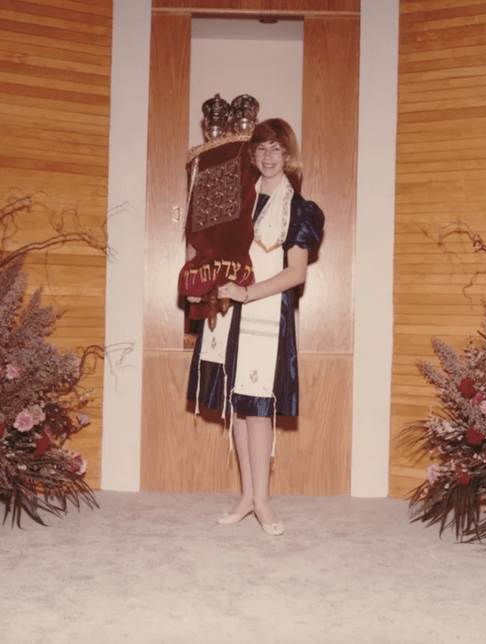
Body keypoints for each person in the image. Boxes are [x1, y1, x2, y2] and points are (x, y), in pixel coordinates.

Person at [186, 118, 324, 536]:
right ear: (252, 154)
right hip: (225, 313)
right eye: (260, 148)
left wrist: (248, 292)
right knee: (238, 408)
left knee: (258, 407)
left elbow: (296, 273)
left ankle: (262, 501)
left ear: (288, 155)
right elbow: (208, 252)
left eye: (276, 149)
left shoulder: (299, 209)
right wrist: (199, 283)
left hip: (263, 310)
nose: (267, 156)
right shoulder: (234, 201)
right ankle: (246, 496)